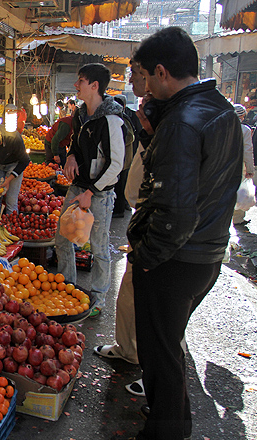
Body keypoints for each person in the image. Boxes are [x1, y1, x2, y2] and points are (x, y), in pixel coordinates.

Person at [128, 27, 243, 440]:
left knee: (161, 357)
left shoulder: (182, 121)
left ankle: (167, 432)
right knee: (169, 349)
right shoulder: (222, 110)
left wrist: (145, 256)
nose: (142, 85)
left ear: (162, 71)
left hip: (175, 259)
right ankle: (171, 418)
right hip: (208, 254)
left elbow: (174, 210)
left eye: (144, 75)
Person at [93, 59, 166, 397]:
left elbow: (120, 166)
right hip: (144, 229)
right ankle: (127, 351)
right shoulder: (149, 132)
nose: (140, 112)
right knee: (129, 301)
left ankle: (156, 379)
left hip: (161, 238)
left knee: (160, 315)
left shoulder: (173, 131)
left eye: (138, 75)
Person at [55, 63, 126, 318]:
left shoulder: (111, 120)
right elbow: (74, 142)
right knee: (62, 238)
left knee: (98, 246)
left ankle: (98, 298)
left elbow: (116, 164)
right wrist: (71, 156)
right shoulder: (80, 115)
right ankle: (66, 285)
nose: (76, 85)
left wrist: (93, 191)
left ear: (94, 86)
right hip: (78, 187)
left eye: (81, 81)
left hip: (100, 193)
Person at [111, 95, 137, 218]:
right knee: (120, 182)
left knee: (121, 184)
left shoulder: (123, 118)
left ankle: (119, 210)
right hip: (121, 157)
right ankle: (120, 207)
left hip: (124, 157)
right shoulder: (120, 116)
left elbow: (130, 137)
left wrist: (116, 141)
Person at [232, 104, 255, 224]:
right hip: (238, 165)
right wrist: (250, 169)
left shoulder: (223, 127)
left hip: (222, 164)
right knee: (240, 191)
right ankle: (237, 219)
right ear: (242, 116)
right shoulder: (245, 130)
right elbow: (247, 150)